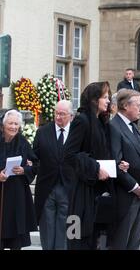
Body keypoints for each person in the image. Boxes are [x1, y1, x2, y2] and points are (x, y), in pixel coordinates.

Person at [64, 82, 114, 250]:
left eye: (108, 97)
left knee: (99, 241)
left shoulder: (101, 122)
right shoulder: (81, 120)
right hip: (80, 193)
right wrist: (95, 168)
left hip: (98, 193)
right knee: (77, 236)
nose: (108, 101)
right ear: (94, 100)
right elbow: (69, 154)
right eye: (105, 97)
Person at [109, 89, 140, 250]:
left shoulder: (134, 127)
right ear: (125, 106)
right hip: (125, 197)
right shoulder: (114, 127)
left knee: (133, 244)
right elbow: (116, 164)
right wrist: (135, 188)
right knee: (121, 243)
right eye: (139, 105)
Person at [33, 100, 75, 250]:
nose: (58, 117)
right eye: (56, 113)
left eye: (62, 114)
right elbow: (34, 158)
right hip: (47, 188)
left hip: (70, 189)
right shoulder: (43, 131)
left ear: (71, 116)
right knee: (47, 227)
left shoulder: (78, 133)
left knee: (68, 228)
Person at [0, 110, 37, 250]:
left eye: (16, 124)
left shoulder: (23, 142)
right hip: (2, 193)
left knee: (16, 241)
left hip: (17, 196)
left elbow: (35, 164)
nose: (13, 127)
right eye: (10, 123)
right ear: (3, 125)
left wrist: (24, 170)